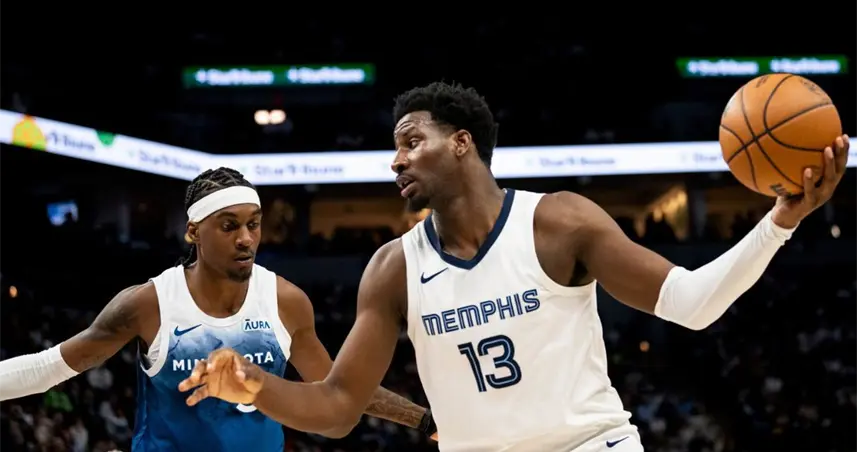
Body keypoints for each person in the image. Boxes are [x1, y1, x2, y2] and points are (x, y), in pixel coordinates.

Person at [178, 83, 850, 451]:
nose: (396, 160)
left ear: (461, 142)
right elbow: (335, 409)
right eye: (394, 148)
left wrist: (780, 222)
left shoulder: (558, 222)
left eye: (412, 141)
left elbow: (691, 303)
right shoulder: (392, 269)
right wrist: (255, 386)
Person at [0, 167, 434, 451]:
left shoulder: (285, 301)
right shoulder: (149, 303)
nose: (246, 238)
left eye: (253, 224)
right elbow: (47, 368)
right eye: (229, 226)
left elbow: (341, 392)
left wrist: (424, 420)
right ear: (194, 231)